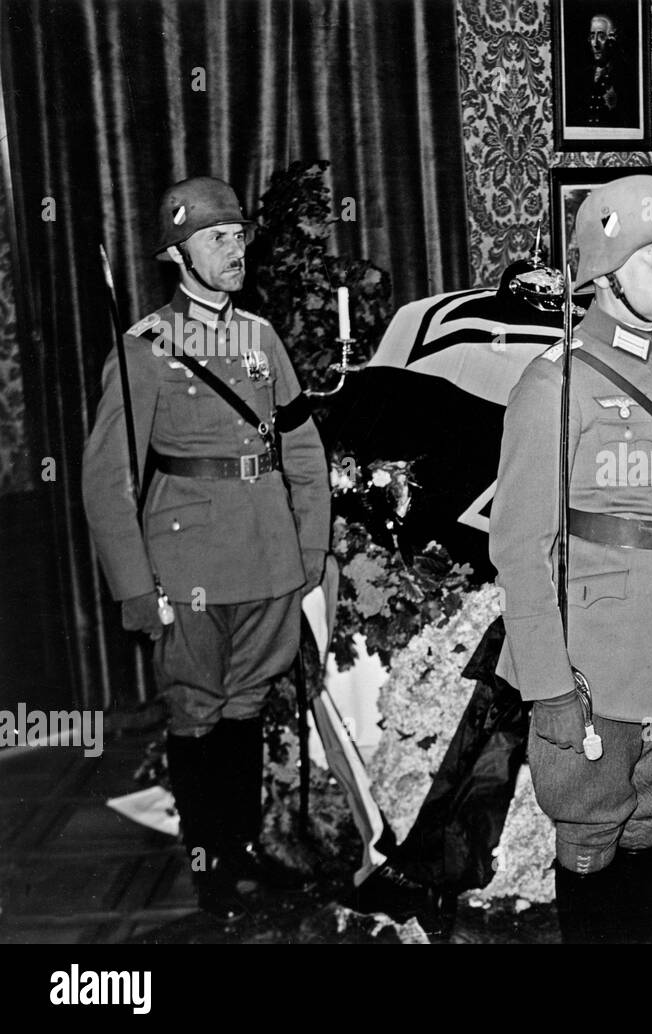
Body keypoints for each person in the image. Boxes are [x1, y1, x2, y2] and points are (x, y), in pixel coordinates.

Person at [490, 174, 652, 943]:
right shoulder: (553, 386)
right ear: (604, 273)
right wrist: (548, 687)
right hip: (600, 667)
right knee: (593, 842)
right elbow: (520, 552)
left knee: (651, 827)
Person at [82, 176, 330, 920]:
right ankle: (210, 865)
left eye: (238, 235)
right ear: (175, 253)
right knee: (196, 711)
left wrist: (309, 554)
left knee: (247, 705)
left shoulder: (260, 338)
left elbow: (302, 448)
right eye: (215, 238)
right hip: (187, 561)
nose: (234, 250)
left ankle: (245, 849)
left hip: (268, 557)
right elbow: (107, 479)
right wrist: (134, 586)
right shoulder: (146, 347)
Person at [575, 14, 634, 128]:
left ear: (612, 39)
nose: (595, 44)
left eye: (601, 36)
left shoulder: (623, 75)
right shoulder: (583, 75)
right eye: (592, 36)